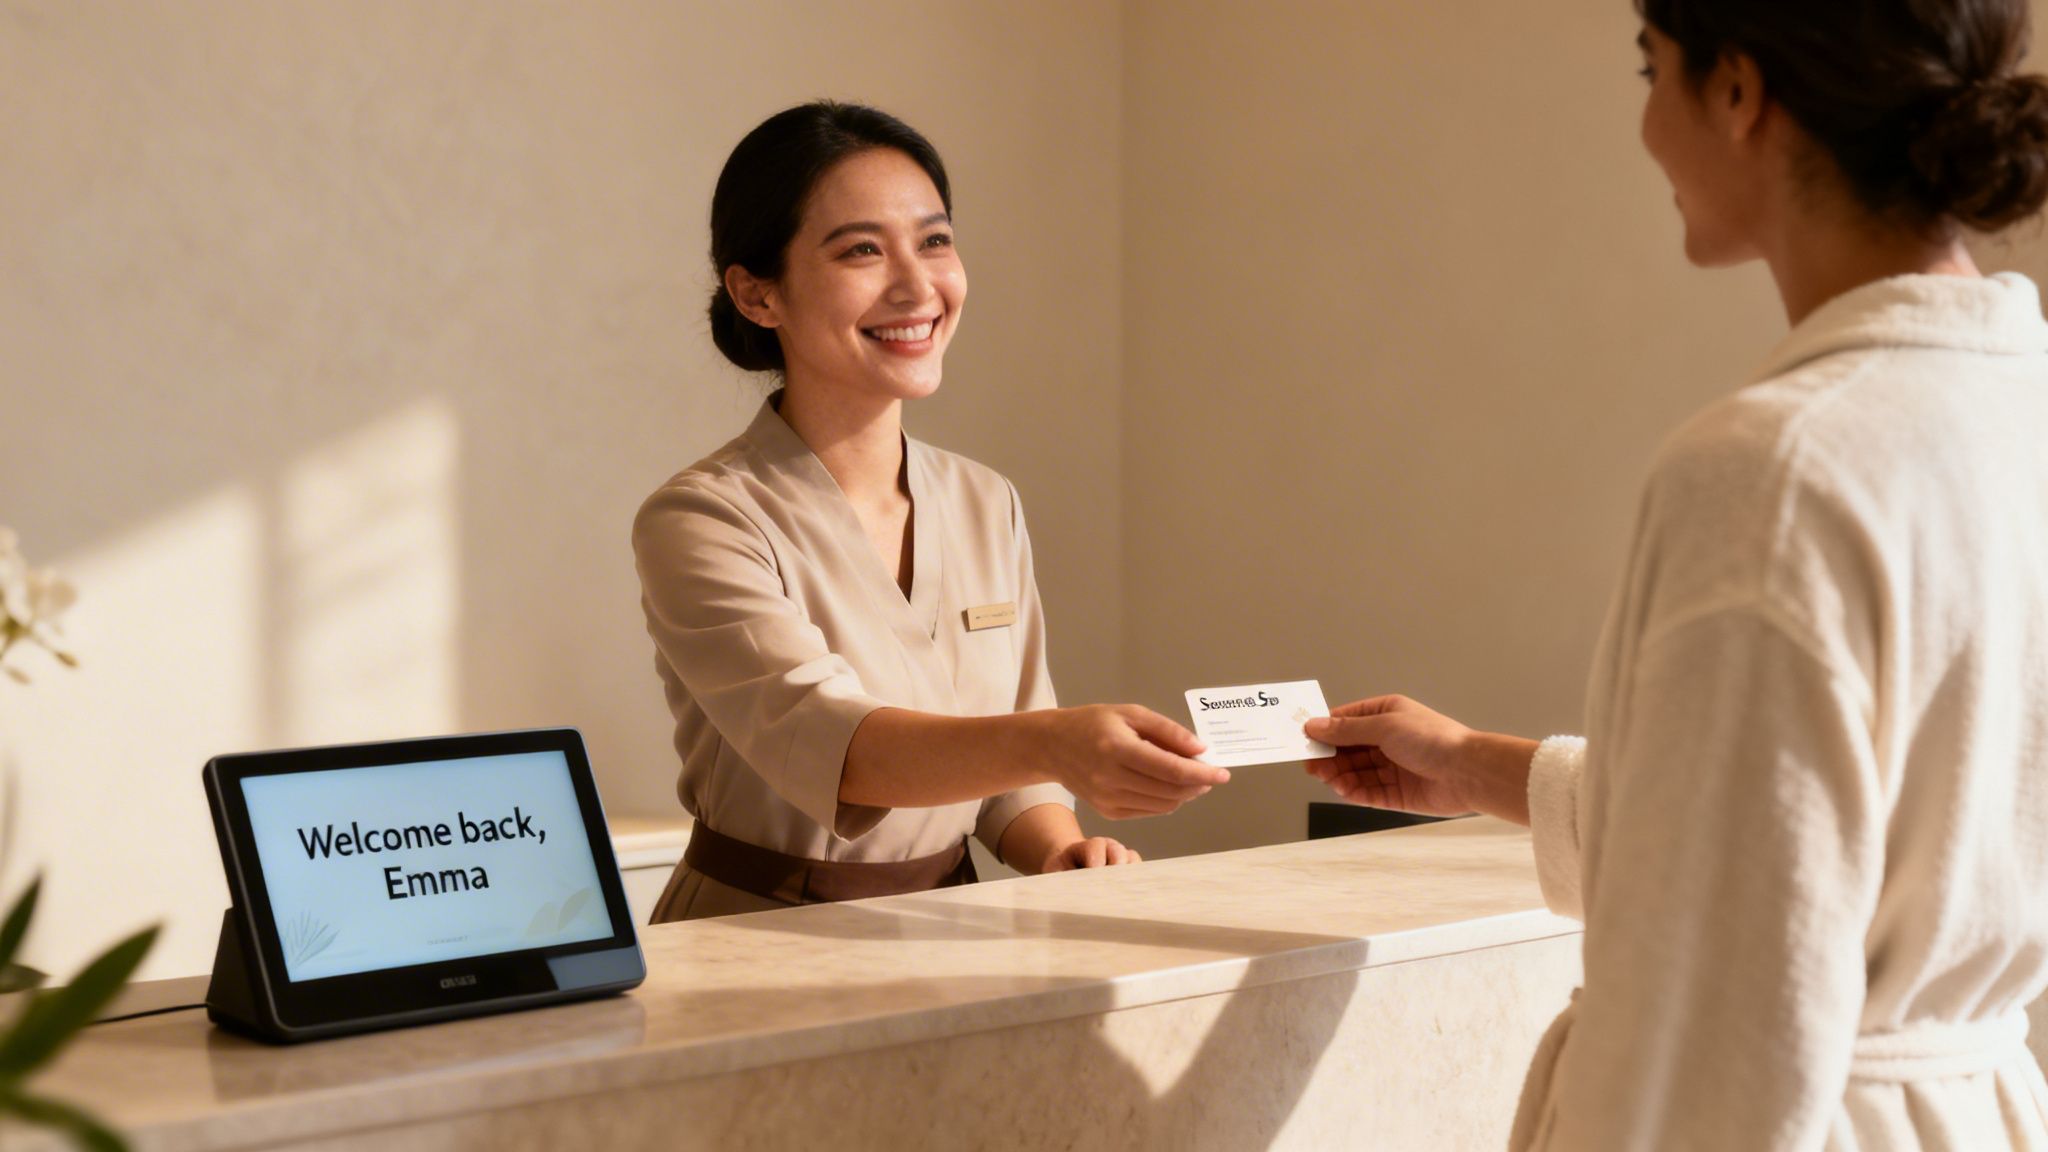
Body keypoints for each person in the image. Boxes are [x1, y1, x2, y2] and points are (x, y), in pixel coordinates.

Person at [1303, 1, 2048, 1147]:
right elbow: (1823, 835)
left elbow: (1719, 1025)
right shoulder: (2011, 405)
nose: (1646, 124)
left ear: (1738, 92)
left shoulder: (1774, 471)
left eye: (1654, 70)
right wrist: (1466, 766)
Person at [634, 102, 1227, 921]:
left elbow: (1010, 755)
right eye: (862, 251)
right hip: (755, 933)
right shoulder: (701, 520)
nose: (918, 287)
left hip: (958, 929)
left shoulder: (986, 500)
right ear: (757, 293)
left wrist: (1059, 846)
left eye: (935, 241)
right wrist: (1057, 741)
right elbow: (838, 749)